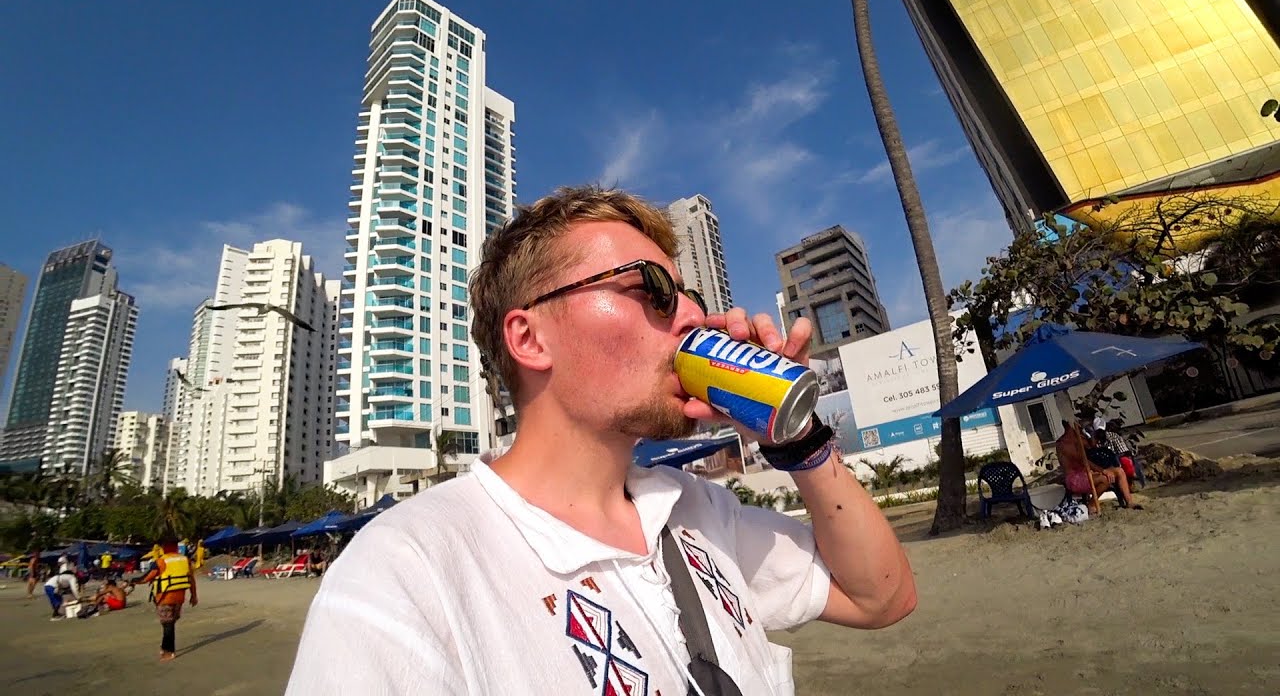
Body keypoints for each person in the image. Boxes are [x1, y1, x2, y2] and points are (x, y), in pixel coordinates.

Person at [287, 186, 916, 694]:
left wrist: (798, 440)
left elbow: (881, 598)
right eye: (653, 289)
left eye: (690, 295)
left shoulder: (699, 511)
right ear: (529, 339)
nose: (694, 316)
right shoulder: (408, 570)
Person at [1057, 421, 1140, 514]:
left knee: (1119, 471)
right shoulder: (1063, 444)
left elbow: (1093, 446)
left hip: (1087, 473)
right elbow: (1083, 460)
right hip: (1075, 478)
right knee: (1105, 479)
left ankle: (1129, 501)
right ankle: (1092, 504)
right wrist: (1103, 471)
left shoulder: (1079, 439)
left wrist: (1090, 437)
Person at [136, 540, 198, 662]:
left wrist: (132, 582)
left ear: (164, 548)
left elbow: (147, 578)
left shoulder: (161, 561)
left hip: (165, 597)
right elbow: (191, 579)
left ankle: (169, 651)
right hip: (179, 597)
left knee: (168, 624)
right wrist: (193, 596)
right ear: (176, 548)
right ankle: (165, 647)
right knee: (170, 623)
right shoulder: (184, 560)